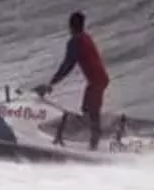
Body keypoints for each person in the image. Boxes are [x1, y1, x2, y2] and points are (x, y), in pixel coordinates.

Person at [35, 11, 110, 149]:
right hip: (99, 79)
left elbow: (67, 65)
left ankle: (95, 145)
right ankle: (93, 139)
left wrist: (51, 84)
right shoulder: (85, 37)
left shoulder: (75, 41)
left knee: (91, 112)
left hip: (96, 81)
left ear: (71, 26)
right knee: (87, 109)